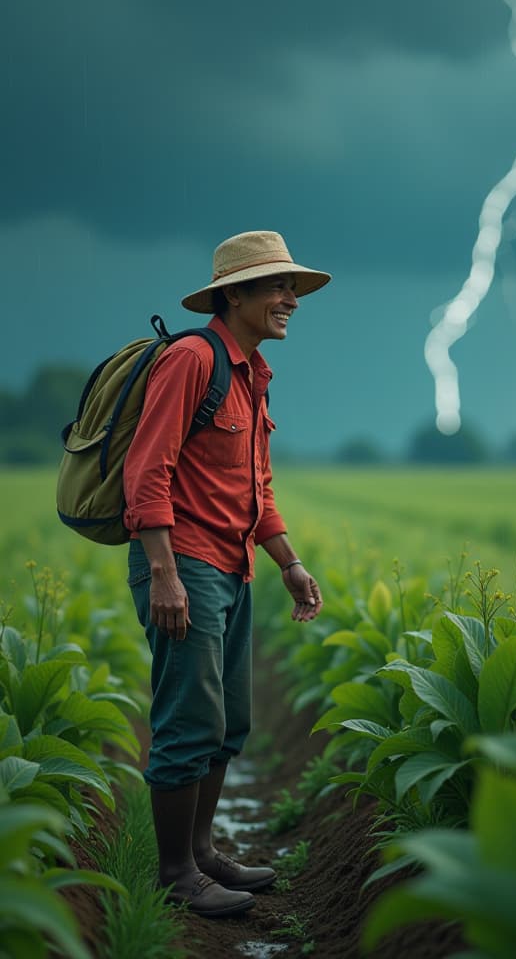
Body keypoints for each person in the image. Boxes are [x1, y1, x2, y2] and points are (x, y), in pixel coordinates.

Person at [123, 230, 330, 917]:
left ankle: (205, 853)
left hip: (231, 566)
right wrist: (162, 572)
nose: (289, 300)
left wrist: (289, 563)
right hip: (182, 563)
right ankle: (176, 875)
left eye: (291, 289)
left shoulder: (253, 374)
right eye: (276, 287)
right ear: (233, 295)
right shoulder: (191, 359)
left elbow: (256, 488)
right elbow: (146, 469)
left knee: (228, 719)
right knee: (188, 719)